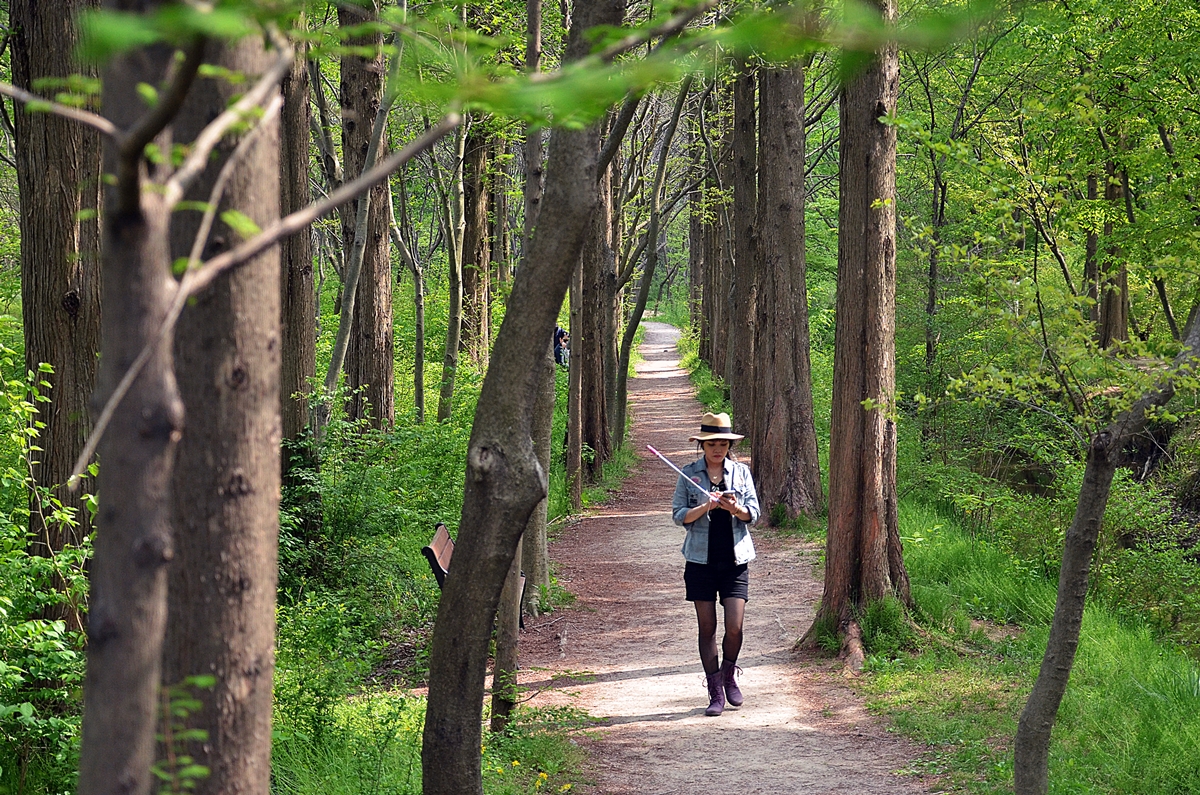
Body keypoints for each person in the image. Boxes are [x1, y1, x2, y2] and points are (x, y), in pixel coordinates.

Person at [671, 411, 759, 716]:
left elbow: (753, 514)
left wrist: (735, 509)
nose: (717, 449)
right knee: (707, 627)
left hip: (735, 561)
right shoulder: (689, 474)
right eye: (711, 444)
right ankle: (715, 691)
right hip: (700, 562)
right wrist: (705, 506)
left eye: (722, 444)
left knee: (734, 627)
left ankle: (728, 675)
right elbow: (678, 515)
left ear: (729, 445)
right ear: (702, 446)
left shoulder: (741, 473)